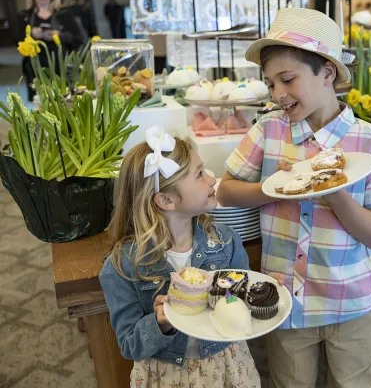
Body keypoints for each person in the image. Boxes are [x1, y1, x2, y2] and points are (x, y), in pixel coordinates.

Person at [217, 7, 371, 388]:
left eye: (287, 79)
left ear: (328, 72)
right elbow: (225, 190)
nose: (278, 93)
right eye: (271, 83)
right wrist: (274, 189)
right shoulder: (269, 129)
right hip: (286, 301)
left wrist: (332, 193)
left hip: (352, 303)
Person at [99, 127, 261, 387]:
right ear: (165, 200)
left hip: (226, 365)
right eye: (199, 174)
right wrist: (160, 322)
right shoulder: (122, 266)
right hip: (165, 375)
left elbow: (242, 299)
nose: (211, 179)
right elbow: (129, 344)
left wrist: (263, 292)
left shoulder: (225, 241)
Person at [14, 0, 84, 101]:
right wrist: (30, 34)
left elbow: (78, 40)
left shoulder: (64, 14)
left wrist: (59, 35)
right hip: (36, 70)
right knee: (42, 105)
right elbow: (17, 41)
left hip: (62, 69)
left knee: (67, 103)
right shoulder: (24, 16)